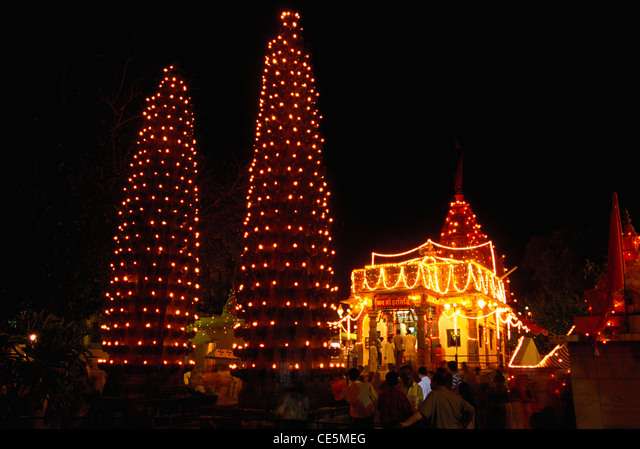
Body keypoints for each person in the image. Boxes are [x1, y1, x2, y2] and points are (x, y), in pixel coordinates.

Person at [400, 368, 475, 429]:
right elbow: (471, 410)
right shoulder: (455, 396)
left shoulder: (434, 395)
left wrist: (405, 423)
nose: (430, 383)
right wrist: (463, 425)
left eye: (432, 380)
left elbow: (421, 414)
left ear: (436, 382)